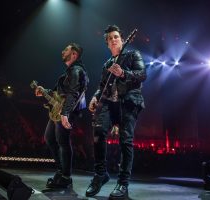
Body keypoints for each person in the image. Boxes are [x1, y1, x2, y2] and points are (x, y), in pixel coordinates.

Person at [85, 25, 146, 199]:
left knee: (125, 140)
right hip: (110, 104)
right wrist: (95, 97)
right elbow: (102, 86)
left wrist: (123, 73)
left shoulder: (133, 55)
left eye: (116, 36)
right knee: (98, 132)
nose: (114, 39)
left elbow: (142, 74)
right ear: (107, 44)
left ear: (122, 38)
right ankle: (100, 174)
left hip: (128, 102)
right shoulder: (107, 64)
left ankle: (123, 184)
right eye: (110, 38)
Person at [35, 43, 88, 188]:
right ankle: (61, 170)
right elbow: (59, 93)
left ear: (74, 55)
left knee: (62, 142)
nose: (62, 51)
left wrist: (65, 113)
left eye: (66, 50)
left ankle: (66, 176)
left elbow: (74, 92)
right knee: (49, 138)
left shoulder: (77, 70)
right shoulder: (68, 72)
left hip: (66, 111)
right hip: (59, 110)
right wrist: (44, 90)